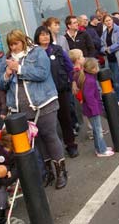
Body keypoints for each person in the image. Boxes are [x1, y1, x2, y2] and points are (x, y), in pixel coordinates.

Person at [0, 29, 67, 189]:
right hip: (21, 109)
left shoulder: (37, 53)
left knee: (49, 136)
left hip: (43, 103)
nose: (14, 47)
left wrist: (20, 69)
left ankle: (61, 172)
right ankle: (47, 171)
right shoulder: (6, 59)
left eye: (16, 43)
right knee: (36, 143)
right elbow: (1, 85)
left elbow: (42, 74)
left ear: (23, 41)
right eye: (11, 44)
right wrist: (7, 75)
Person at [34, 26, 78, 158]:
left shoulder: (57, 49)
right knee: (48, 125)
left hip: (61, 90)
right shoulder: (34, 53)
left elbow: (69, 66)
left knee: (65, 119)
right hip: (44, 96)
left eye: (47, 34)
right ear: (37, 37)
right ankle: (52, 152)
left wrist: (74, 81)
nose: (45, 37)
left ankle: (71, 145)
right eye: (42, 35)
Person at [75, 58, 115, 157]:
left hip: (90, 109)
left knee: (96, 130)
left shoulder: (86, 77)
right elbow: (89, 97)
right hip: (92, 109)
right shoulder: (90, 80)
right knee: (98, 130)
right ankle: (102, 150)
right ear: (93, 69)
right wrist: (95, 109)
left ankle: (100, 148)